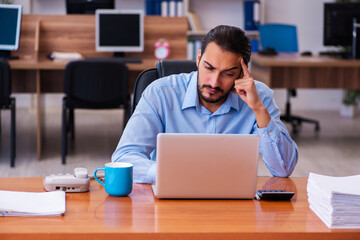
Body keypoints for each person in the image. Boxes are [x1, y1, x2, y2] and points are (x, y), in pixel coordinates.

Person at [112, 25, 298, 184]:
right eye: (209, 68)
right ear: (198, 58)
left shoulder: (259, 97)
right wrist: (166, 173)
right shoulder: (161, 93)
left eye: (227, 73)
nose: (214, 82)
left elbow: (283, 170)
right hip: (171, 200)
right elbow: (124, 159)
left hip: (234, 206)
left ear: (242, 73)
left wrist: (258, 109)